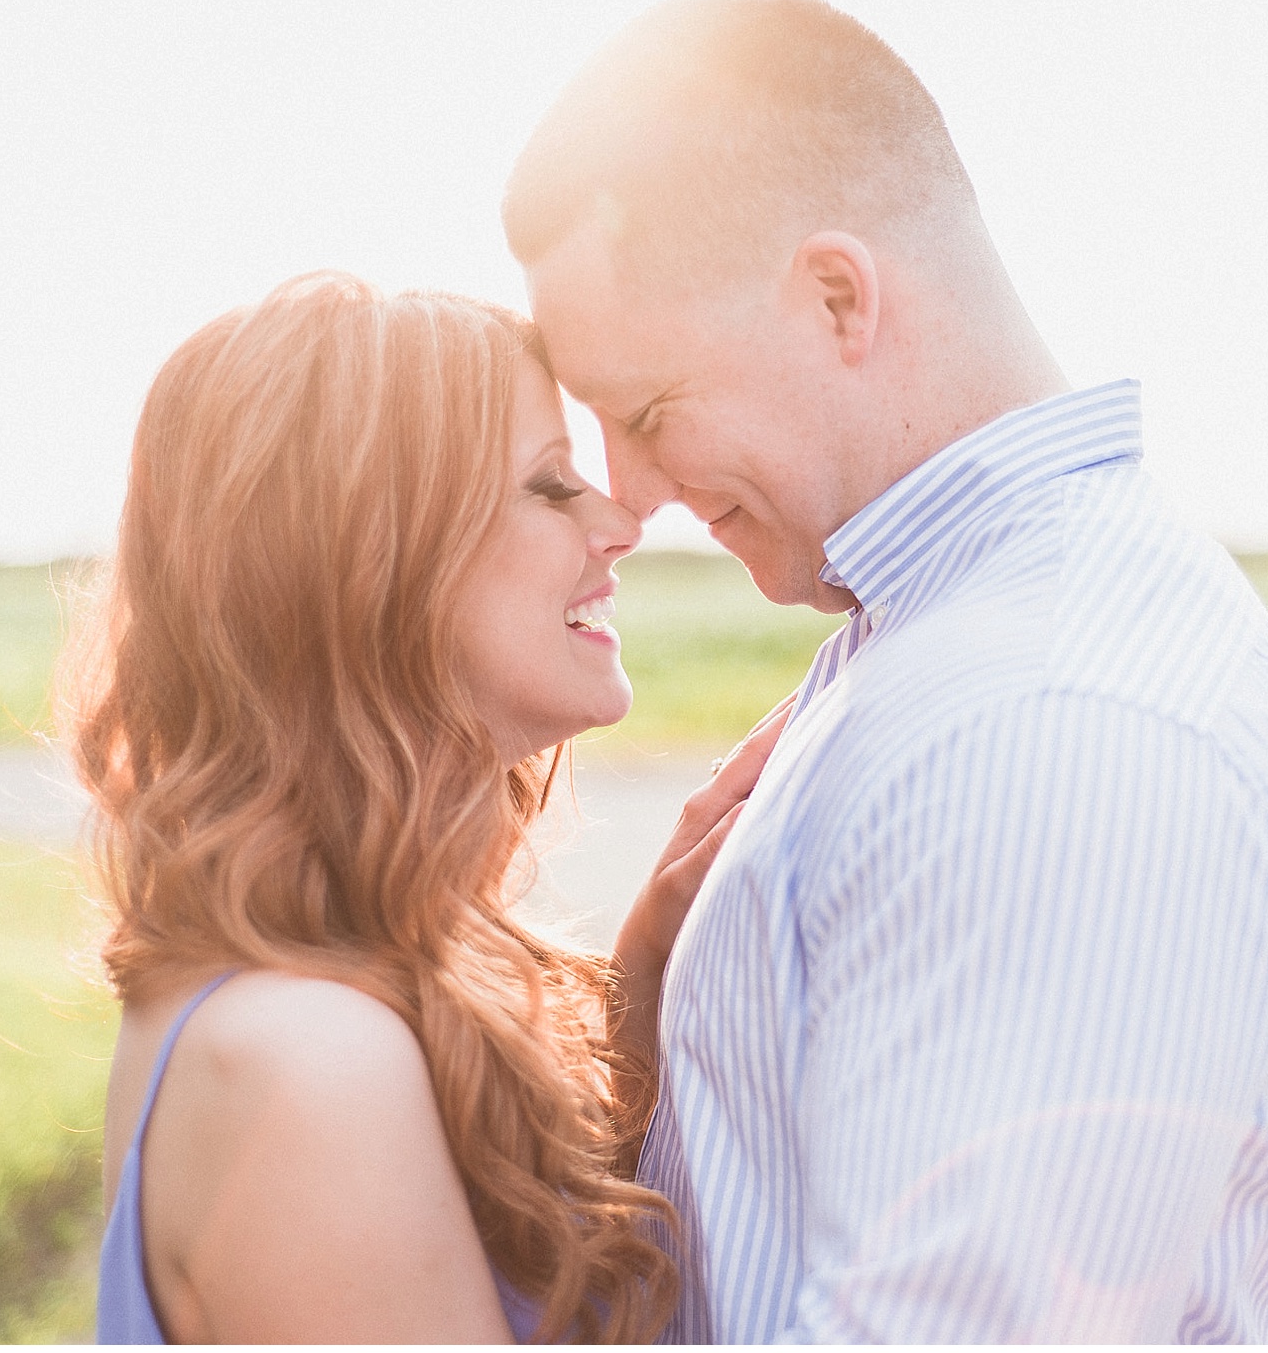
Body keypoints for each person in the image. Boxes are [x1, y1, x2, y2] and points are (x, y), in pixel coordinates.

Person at [502, 0, 1268, 1342]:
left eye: (650, 411)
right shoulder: (943, 642)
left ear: (838, 296)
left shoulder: (1058, 721)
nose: (634, 492)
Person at [64, 270, 786, 1343]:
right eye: (549, 485)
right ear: (367, 561)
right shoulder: (303, 1064)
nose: (618, 520)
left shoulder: (298, 989)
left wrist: (634, 993)